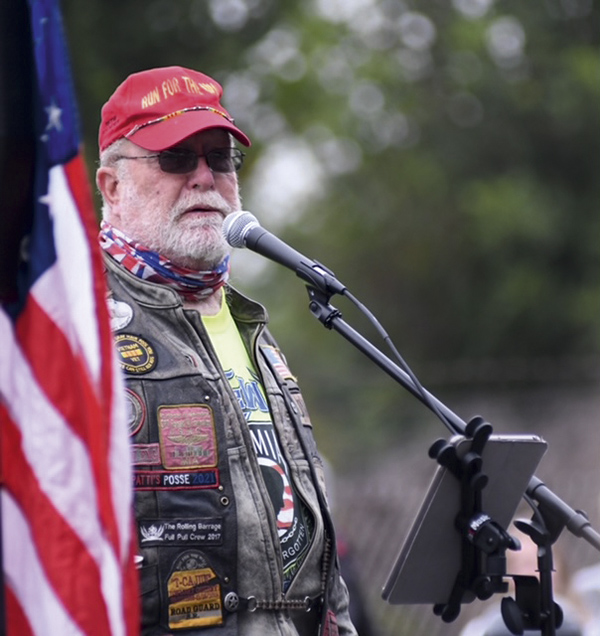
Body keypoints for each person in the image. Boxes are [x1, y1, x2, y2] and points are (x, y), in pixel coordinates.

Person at [95, 65, 358, 636]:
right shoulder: (78, 325)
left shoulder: (249, 324)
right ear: (112, 188)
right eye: (175, 159)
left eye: (220, 158)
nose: (204, 178)